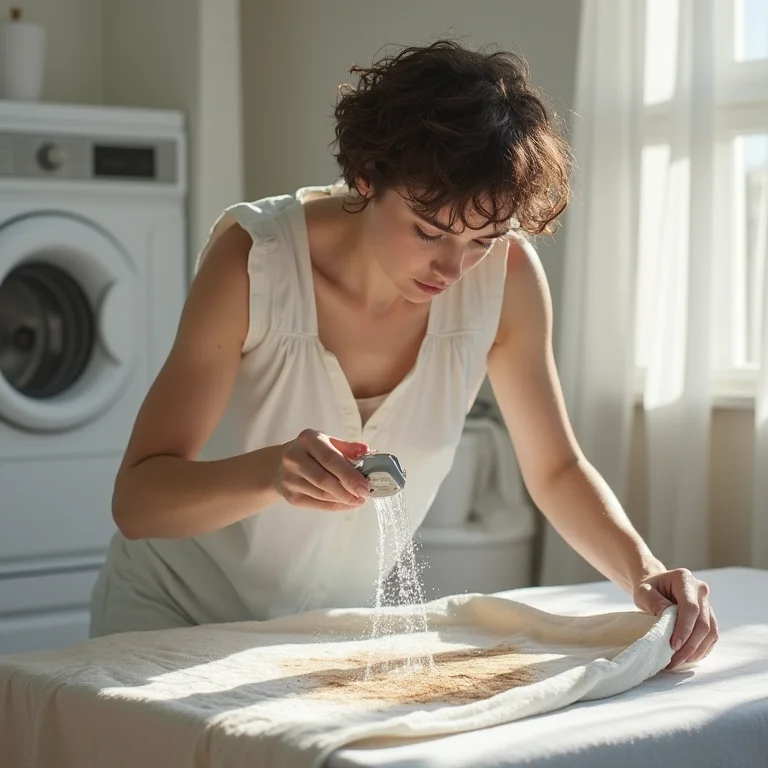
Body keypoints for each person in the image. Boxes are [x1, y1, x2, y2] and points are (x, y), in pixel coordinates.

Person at [89, 39, 717, 669]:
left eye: (484, 238)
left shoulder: (507, 278)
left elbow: (554, 469)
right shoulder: (255, 262)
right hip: (167, 618)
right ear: (366, 176)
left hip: (322, 636)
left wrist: (645, 573)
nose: (454, 266)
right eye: (428, 231)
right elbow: (138, 501)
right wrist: (271, 471)